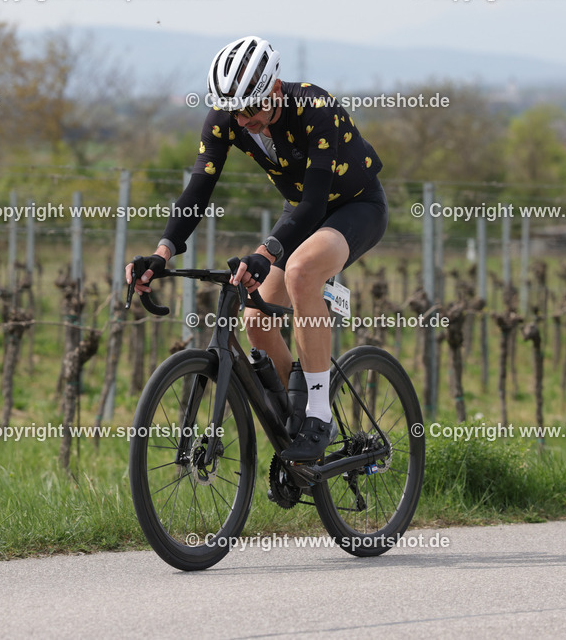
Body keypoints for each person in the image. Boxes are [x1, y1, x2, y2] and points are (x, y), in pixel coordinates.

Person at [126, 35, 388, 462]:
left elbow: (315, 205)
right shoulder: (226, 119)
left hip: (354, 206)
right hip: (300, 213)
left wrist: (264, 254)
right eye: (236, 110)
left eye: (254, 108)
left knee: (302, 271)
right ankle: (297, 413)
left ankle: (320, 414)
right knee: (257, 320)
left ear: (276, 89)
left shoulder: (314, 108)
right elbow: (198, 189)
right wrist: (163, 251)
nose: (245, 119)